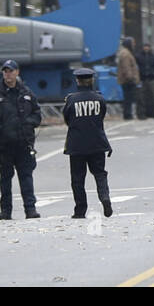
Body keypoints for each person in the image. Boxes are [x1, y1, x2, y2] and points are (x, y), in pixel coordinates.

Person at [0, 59, 41, 220]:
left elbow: (37, 114)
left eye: (11, 71)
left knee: (26, 177)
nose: (8, 74)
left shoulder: (26, 93)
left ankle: (30, 209)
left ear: (17, 72)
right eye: (5, 71)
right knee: (5, 178)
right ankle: (6, 211)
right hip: (4, 144)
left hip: (24, 143)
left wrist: (28, 124)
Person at [62, 68, 113, 219]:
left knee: (77, 178)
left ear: (77, 81)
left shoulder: (71, 99)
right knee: (100, 174)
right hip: (97, 143)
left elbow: (67, 119)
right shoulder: (99, 99)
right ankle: (104, 197)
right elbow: (102, 115)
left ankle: (80, 209)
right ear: (92, 80)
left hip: (77, 145)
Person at [115, 36, 140, 121]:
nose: (134, 45)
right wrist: (130, 78)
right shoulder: (126, 54)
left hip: (126, 80)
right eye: (132, 43)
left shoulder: (125, 52)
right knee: (128, 98)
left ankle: (128, 113)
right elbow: (126, 67)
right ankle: (128, 114)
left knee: (128, 98)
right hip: (127, 80)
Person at [137, 42, 154, 119]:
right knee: (142, 98)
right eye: (145, 46)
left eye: (147, 47)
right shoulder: (138, 57)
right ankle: (142, 114)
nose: (146, 48)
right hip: (142, 79)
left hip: (152, 79)